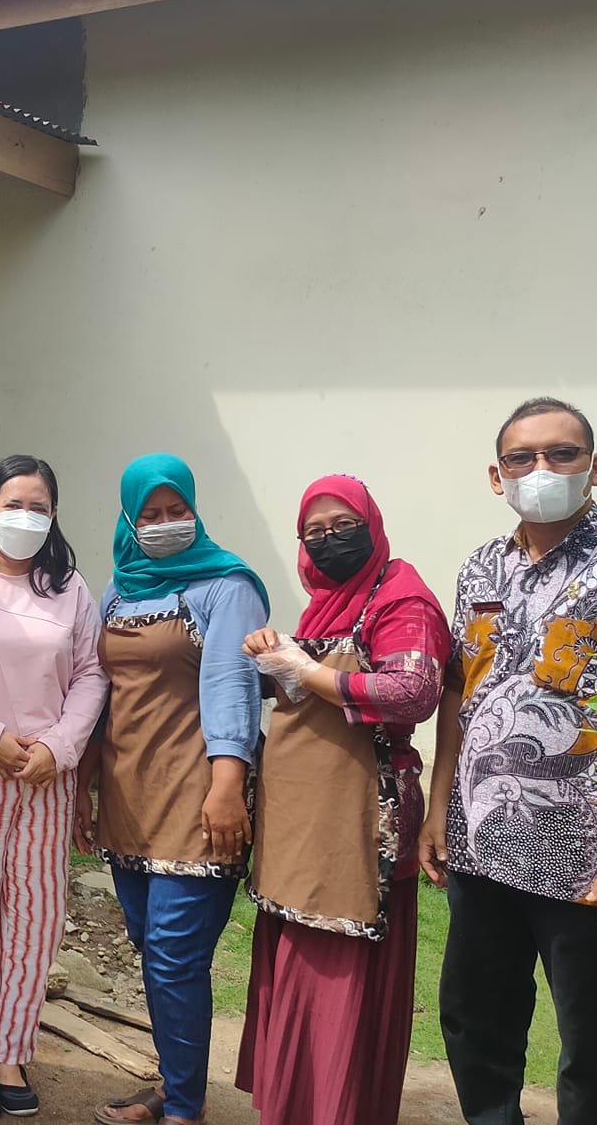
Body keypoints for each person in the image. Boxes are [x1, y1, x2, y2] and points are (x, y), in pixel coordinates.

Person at [420, 399, 597, 1125]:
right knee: (474, 1022)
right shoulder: (481, 567)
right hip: (481, 843)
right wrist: (439, 805)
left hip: (590, 855)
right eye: (522, 458)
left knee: (593, 1044)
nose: (540, 470)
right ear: (497, 476)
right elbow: (459, 693)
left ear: (595, 466)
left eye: (561, 453)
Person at [235, 475, 450, 1125]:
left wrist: (307, 670)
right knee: (297, 963)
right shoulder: (326, 607)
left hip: (360, 826)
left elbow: (412, 692)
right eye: (314, 532)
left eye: (344, 526)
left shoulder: (402, 599)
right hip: (300, 826)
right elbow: (311, 695)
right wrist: (277, 658)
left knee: (338, 976)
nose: (329, 541)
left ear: (371, 525)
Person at [82, 453, 267, 1125]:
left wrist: (227, 785)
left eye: (176, 510)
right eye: (151, 514)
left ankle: (184, 1106)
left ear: (195, 509)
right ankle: (173, 1084)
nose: (165, 523)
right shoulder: (120, 588)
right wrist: (85, 785)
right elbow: (101, 691)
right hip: (129, 795)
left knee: (173, 955)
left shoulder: (226, 585)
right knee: (149, 945)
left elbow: (231, 684)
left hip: (198, 796)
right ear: (129, 519)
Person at [0, 454, 106, 1120]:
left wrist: (59, 748)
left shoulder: (70, 590)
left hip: (46, 780)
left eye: (39, 506)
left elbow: (91, 675)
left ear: (54, 515)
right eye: (14, 504)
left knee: (34, 918)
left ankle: (10, 1050)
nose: (26, 517)